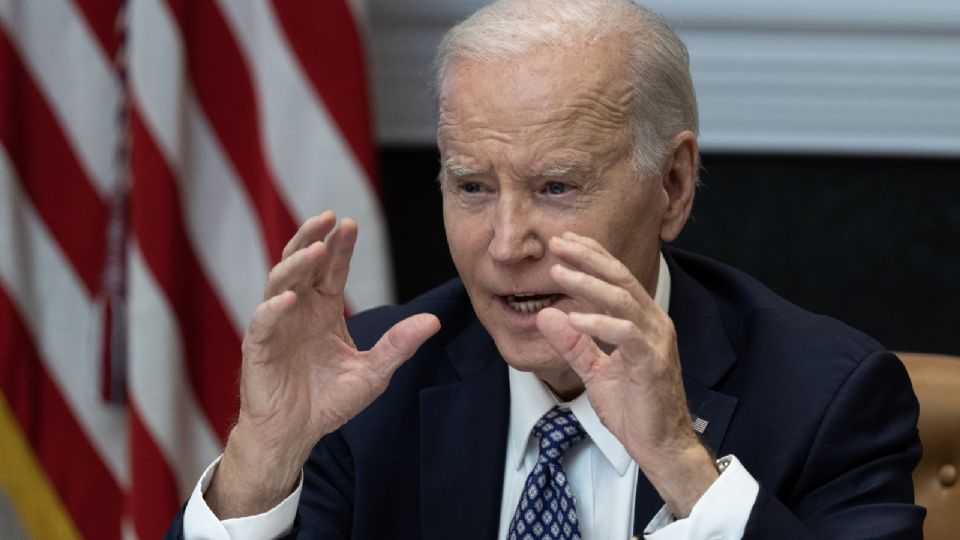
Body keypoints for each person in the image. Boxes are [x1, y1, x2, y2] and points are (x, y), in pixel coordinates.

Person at [168, 1, 924, 538]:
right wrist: (262, 463)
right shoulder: (367, 389)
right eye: (471, 187)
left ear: (673, 187)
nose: (505, 244)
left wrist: (685, 471)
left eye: (555, 188)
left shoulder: (824, 396)